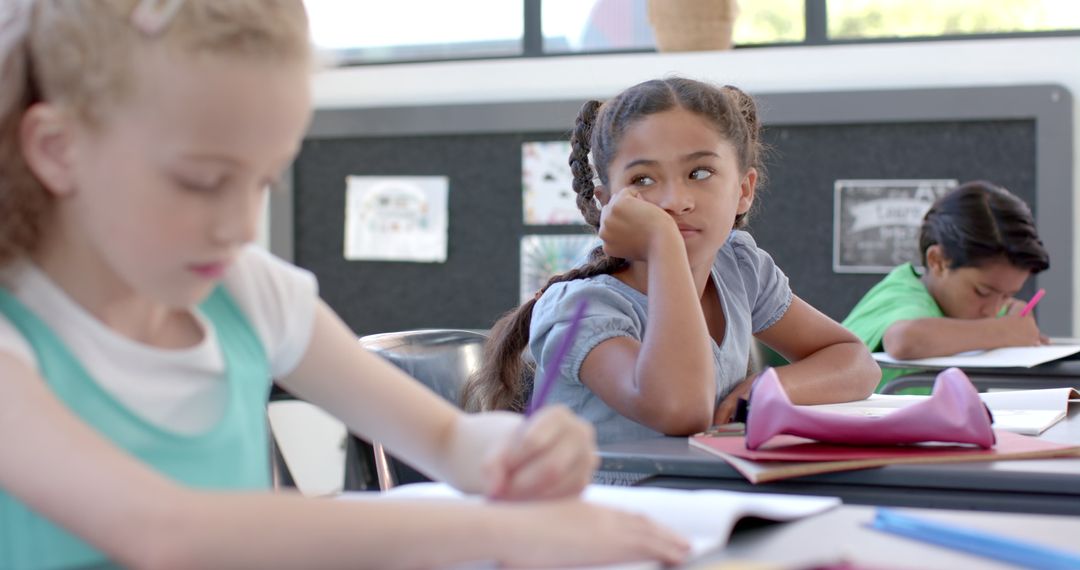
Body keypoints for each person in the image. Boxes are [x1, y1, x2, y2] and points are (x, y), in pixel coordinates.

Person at [0, 1, 690, 568]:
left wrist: (513, 454)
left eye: (264, 182)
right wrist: (503, 535)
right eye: (201, 183)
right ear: (58, 150)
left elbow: (447, 442)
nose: (241, 226)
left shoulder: (248, 291)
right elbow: (161, 532)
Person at [463, 77, 879, 446]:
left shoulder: (739, 269)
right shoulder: (582, 308)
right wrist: (663, 245)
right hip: (606, 520)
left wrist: (763, 388)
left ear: (744, 189)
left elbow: (854, 361)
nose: (674, 201)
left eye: (699, 173)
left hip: (711, 507)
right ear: (607, 203)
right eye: (642, 180)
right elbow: (681, 411)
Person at [843, 180, 1050, 392]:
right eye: (982, 292)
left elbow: (1010, 313)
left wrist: (1015, 313)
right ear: (938, 261)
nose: (993, 310)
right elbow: (905, 339)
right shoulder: (901, 295)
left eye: (1006, 295)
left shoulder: (973, 308)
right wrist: (1004, 332)